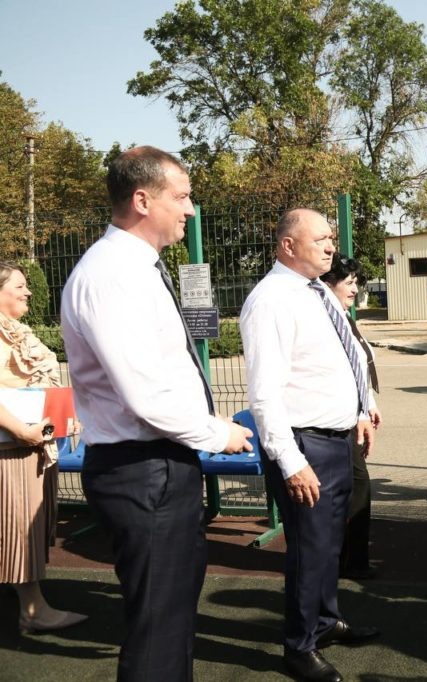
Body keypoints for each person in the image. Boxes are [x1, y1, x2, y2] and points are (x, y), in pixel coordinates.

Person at [61, 146, 253, 681]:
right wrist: (218, 432)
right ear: (143, 200)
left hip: (158, 465)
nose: (190, 209)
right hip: (142, 468)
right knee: (158, 632)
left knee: (169, 621)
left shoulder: (134, 268)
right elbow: (145, 395)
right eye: (182, 196)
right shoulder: (112, 275)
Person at [241, 209, 380, 682]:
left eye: (330, 238)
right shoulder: (271, 300)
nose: (330, 246)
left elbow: (341, 358)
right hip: (305, 444)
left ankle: (324, 621)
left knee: (330, 542)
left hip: (338, 439)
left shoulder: (318, 291)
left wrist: (361, 411)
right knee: (310, 547)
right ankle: (299, 647)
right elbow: (264, 393)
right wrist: (291, 460)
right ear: (287, 246)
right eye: (320, 238)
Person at [0, 262, 86, 635]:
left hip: (31, 443)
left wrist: (63, 418)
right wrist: (23, 430)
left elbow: (36, 389)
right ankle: (32, 610)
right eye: (20, 285)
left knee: (23, 525)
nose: (28, 291)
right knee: (19, 526)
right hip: (14, 448)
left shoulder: (15, 331)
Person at [321, 254, 382, 581]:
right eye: (349, 282)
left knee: (355, 486)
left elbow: (359, 362)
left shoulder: (342, 316)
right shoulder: (326, 317)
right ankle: (346, 560)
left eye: (357, 282)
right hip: (333, 421)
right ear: (328, 284)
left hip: (350, 417)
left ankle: (351, 559)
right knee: (353, 488)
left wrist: (368, 403)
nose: (355, 289)